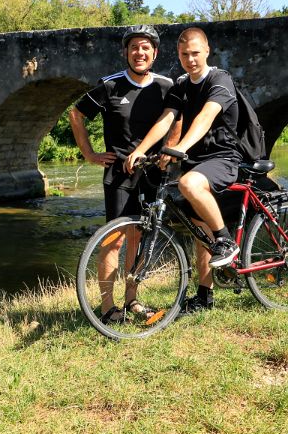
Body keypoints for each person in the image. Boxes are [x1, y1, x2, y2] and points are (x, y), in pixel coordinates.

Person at [125, 26, 242, 315]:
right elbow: (167, 119)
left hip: (224, 157)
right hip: (197, 160)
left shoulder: (220, 80)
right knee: (198, 229)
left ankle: (226, 241)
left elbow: (206, 117)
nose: (190, 59)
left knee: (189, 184)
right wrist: (143, 149)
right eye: (184, 54)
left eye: (195, 53)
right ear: (178, 55)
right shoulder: (180, 85)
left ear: (207, 52)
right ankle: (205, 295)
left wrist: (180, 147)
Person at [69, 25, 178, 323]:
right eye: (134, 48)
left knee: (138, 237)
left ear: (154, 53)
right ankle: (107, 307)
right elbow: (76, 114)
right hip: (119, 172)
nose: (139, 53)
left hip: (152, 172)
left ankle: (132, 300)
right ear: (126, 53)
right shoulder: (110, 85)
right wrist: (89, 154)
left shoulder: (166, 86)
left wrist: (169, 150)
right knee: (113, 240)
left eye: (146, 48)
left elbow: (177, 118)